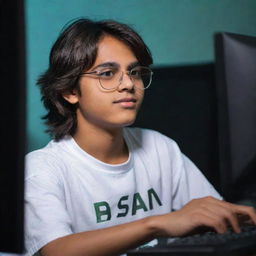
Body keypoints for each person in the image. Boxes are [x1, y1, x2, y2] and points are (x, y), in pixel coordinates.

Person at [24, 18, 256, 256]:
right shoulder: (42, 168)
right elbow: (56, 250)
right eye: (107, 73)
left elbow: (212, 215)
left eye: (134, 72)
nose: (128, 84)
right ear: (70, 91)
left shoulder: (159, 147)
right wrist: (157, 224)